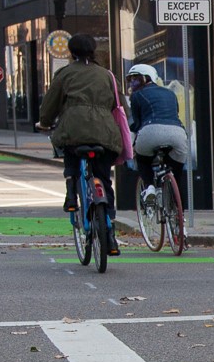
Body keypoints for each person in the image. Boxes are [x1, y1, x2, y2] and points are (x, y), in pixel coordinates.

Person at [37, 33, 124, 255]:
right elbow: (120, 104)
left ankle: (71, 193)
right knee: (104, 180)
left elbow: (50, 104)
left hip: (74, 129)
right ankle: (110, 233)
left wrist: (45, 123)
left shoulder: (65, 74)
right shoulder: (107, 76)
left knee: (70, 150)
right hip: (105, 133)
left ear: (71, 52)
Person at [126, 64, 188, 206]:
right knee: (177, 179)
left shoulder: (136, 96)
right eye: (131, 79)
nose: (132, 83)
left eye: (136, 79)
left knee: (142, 159)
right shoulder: (170, 93)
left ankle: (150, 187)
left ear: (146, 78)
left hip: (149, 131)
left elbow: (137, 124)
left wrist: (132, 141)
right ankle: (180, 220)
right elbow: (175, 114)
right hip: (177, 133)